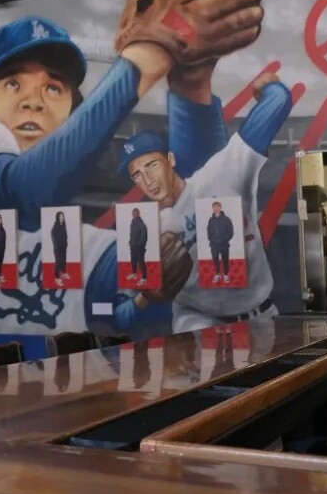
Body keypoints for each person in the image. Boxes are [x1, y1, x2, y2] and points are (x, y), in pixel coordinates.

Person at [0, 0, 263, 342]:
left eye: (54, 88)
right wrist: (150, 52)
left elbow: (199, 235)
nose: (33, 102)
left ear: (75, 114)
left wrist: (191, 87)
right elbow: (26, 186)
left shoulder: (81, 243)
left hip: (36, 392)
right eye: (12, 82)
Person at [117, 72, 294, 342]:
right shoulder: (144, 230)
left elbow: (279, 101)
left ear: (171, 159)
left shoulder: (221, 174)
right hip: (198, 322)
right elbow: (121, 316)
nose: (147, 179)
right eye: (136, 174)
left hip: (263, 317)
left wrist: (265, 88)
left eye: (152, 164)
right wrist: (145, 295)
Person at [206, 201, 235, 285]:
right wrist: (211, 239)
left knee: (225, 260)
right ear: (213, 208)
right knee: (215, 261)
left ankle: (226, 275)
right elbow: (208, 231)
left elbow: (230, 232)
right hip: (214, 245)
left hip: (224, 244)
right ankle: (217, 274)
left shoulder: (226, 219)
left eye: (217, 207)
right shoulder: (211, 220)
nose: (215, 209)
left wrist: (224, 239)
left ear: (220, 208)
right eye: (214, 207)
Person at [128, 208, 148, 287]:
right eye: (133, 213)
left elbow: (144, 238)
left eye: (135, 213)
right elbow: (131, 235)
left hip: (139, 248)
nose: (134, 215)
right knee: (133, 261)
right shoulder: (132, 224)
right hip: (132, 247)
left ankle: (144, 278)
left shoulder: (142, 225)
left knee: (141, 262)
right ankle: (134, 273)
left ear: (138, 214)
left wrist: (139, 246)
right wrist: (130, 243)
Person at [51, 211, 68, 285]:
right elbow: (54, 238)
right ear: (57, 217)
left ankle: (63, 273)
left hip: (63, 247)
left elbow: (65, 236)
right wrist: (58, 245)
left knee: (64, 260)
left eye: (62, 217)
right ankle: (57, 278)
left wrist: (65, 243)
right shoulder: (55, 227)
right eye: (60, 217)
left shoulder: (63, 226)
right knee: (58, 262)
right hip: (58, 248)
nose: (61, 218)